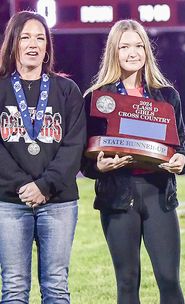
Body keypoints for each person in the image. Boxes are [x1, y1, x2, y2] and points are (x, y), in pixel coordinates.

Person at [81, 19, 185, 304]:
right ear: (113, 52)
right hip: (118, 197)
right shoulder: (96, 98)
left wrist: (181, 161)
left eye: (139, 46)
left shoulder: (167, 95)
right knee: (127, 282)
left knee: (168, 279)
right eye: (125, 46)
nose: (133, 53)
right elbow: (86, 158)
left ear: (147, 51)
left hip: (158, 195)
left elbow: (180, 149)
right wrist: (97, 167)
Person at [0, 10, 86, 303]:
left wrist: (45, 186)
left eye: (40, 37)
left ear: (48, 46)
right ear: (13, 43)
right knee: (13, 287)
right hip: (9, 202)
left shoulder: (67, 90)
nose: (33, 44)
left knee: (56, 287)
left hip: (58, 202)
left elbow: (74, 146)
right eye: (25, 37)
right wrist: (24, 186)